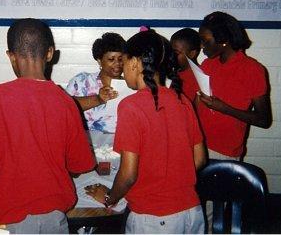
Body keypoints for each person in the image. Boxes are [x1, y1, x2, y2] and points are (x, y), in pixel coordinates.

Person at [0, 18, 95, 234]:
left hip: (6, 222)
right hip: (53, 221)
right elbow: (79, 165)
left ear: (11, 56)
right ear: (50, 53)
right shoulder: (65, 101)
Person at [85, 30, 206, 234]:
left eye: (124, 62)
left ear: (134, 62)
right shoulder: (183, 100)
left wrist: (109, 198)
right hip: (192, 212)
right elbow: (200, 159)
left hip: (154, 219)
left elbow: (128, 175)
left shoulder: (131, 106)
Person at [196, 12, 272, 160]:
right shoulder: (208, 64)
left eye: (205, 41)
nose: (201, 46)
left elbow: (264, 120)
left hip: (224, 152)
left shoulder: (252, 69)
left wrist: (224, 109)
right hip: (198, 145)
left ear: (224, 41)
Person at [65, 32, 126, 134]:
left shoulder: (130, 85)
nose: (117, 64)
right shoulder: (81, 81)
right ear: (99, 60)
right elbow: (65, 107)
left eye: (121, 59)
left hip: (120, 146)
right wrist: (98, 99)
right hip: (86, 146)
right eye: (111, 59)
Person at [170, 28, 201, 102]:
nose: (171, 56)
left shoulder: (198, 78)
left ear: (191, 54)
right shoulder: (178, 72)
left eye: (176, 53)